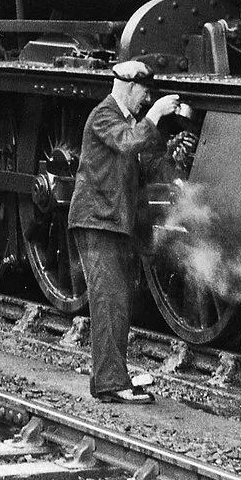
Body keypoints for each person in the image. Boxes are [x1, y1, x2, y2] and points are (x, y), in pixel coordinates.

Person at [69, 57, 191, 406]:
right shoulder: (104, 116)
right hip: (97, 222)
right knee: (108, 301)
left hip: (116, 225)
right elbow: (128, 143)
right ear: (128, 86)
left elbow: (149, 162)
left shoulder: (130, 122)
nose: (146, 99)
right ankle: (110, 383)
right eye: (144, 92)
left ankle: (114, 377)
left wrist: (175, 160)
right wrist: (155, 115)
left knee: (118, 302)